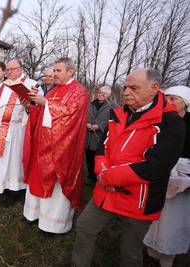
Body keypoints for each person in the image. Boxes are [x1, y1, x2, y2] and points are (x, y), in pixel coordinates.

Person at [67, 69, 185, 267]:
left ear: (154, 88)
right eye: (125, 87)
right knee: (85, 227)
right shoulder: (118, 114)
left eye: (134, 88)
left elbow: (158, 165)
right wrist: (102, 171)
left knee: (130, 250)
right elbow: (102, 147)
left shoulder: (171, 122)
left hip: (140, 198)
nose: (126, 92)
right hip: (106, 189)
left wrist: (112, 177)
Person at [22, 57, 88, 234]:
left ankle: (53, 224)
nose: (54, 73)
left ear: (70, 72)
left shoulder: (79, 91)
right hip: (42, 144)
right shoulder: (52, 91)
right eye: (54, 70)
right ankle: (33, 214)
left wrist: (46, 103)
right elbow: (42, 113)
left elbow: (70, 114)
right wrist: (33, 105)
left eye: (58, 70)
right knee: (38, 178)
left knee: (56, 185)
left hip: (61, 148)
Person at [0, 59, 39, 207]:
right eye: (8, 69)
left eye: (13, 69)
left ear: (21, 69)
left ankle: (14, 191)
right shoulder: (2, 85)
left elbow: (37, 109)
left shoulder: (31, 84)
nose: (10, 72)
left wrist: (28, 107)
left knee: (13, 161)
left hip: (16, 130)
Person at [143, 85, 190, 267]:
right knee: (157, 215)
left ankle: (169, 254)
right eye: (167, 98)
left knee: (175, 219)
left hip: (183, 179)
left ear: (185, 103)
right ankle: (151, 250)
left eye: (174, 99)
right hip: (161, 173)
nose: (169, 103)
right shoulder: (160, 121)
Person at [85, 86, 119, 185]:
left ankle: (99, 179)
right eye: (99, 92)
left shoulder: (114, 106)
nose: (100, 94)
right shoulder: (91, 104)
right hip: (89, 137)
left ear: (109, 94)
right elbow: (84, 116)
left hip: (101, 138)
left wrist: (100, 126)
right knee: (89, 157)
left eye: (104, 93)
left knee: (99, 159)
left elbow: (115, 122)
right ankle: (91, 177)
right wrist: (86, 123)